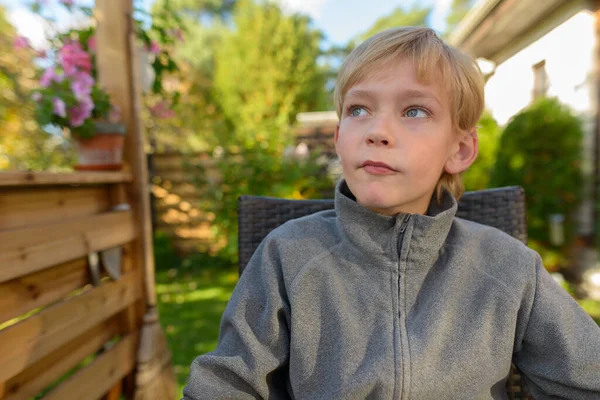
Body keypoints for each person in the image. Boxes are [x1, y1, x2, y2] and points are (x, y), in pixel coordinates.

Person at [183, 27, 600, 399]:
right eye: (358, 110)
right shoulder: (288, 254)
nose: (377, 131)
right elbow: (225, 384)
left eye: (414, 111)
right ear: (339, 137)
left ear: (459, 150)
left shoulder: (507, 267)